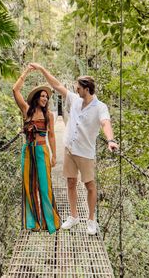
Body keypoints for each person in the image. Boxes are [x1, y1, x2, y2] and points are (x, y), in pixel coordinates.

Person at [29, 63, 118, 235]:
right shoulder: (75, 100)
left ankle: (91, 220)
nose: (76, 89)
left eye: (79, 87)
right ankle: (74, 216)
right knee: (70, 182)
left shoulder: (101, 107)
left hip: (85, 153)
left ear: (87, 88)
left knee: (90, 186)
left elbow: (105, 122)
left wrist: (110, 139)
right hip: (69, 149)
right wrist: (42, 69)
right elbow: (56, 85)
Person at [12, 65, 60, 234]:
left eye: (46, 96)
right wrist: (26, 71)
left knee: (44, 186)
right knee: (28, 185)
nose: (45, 98)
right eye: (42, 95)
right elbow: (15, 89)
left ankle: (49, 221)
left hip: (41, 151)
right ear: (36, 98)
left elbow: (52, 135)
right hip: (27, 151)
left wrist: (54, 155)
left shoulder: (49, 116)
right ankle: (34, 223)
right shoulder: (26, 111)